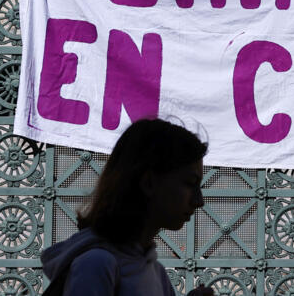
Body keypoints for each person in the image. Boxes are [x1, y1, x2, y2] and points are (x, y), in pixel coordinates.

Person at [41, 118, 214, 296]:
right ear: (148, 183)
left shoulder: (155, 272)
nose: (199, 201)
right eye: (190, 183)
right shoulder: (97, 264)